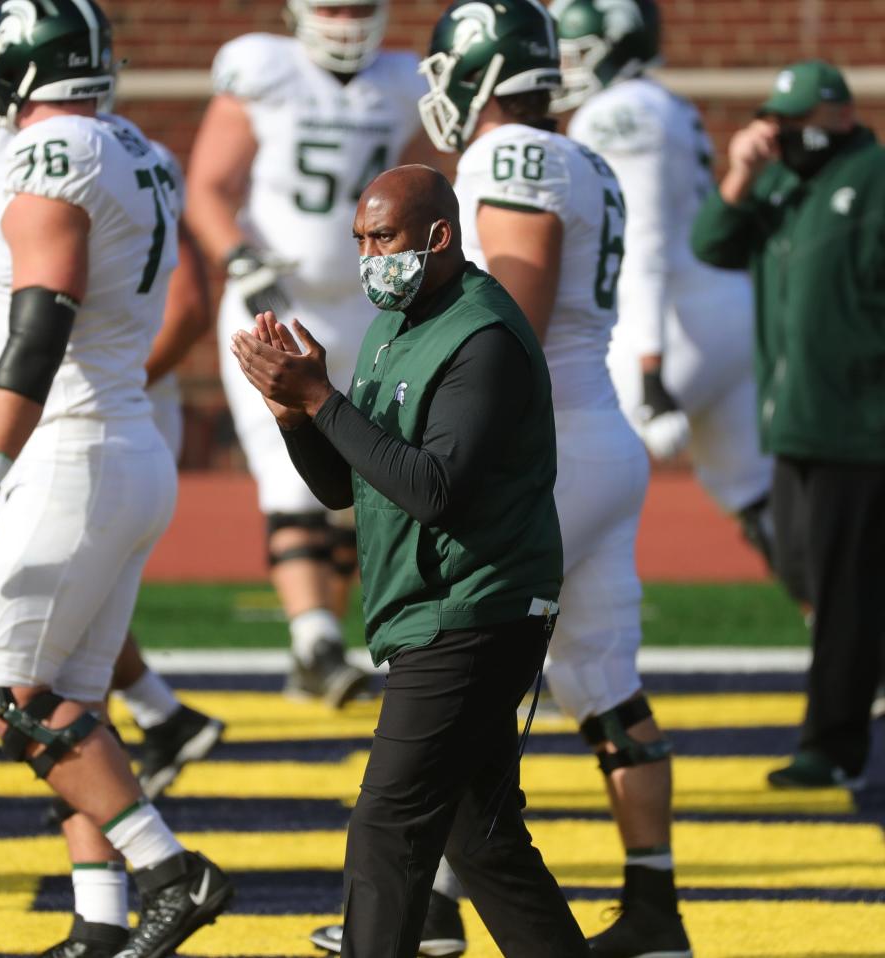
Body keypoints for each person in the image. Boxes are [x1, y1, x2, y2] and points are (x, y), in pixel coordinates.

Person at [0, 3, 233, 956]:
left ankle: (173, 873)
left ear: (23, 64)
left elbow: (38, 325)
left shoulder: (50, 156)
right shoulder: (128, 147)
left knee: (1, 690)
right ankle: (101, 923)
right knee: (69, 701)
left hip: (72, 450)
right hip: (118, 443)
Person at [231, 163, 590, 958]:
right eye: (360, 239)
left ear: (439, 236)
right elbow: (343, 484)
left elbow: (435, 491)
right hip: (436, 607)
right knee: (482, 839)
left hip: (475, 609)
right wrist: (295, 414)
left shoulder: (482, 335)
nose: (369, 255)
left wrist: (324, 399)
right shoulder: (396, 325)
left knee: (386, 830)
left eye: (384, 236)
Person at [0, 124, 225, 806]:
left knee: (8, 675)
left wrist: (111, 388)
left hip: (82, 422)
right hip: (79, 422)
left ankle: (158, 855)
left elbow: (177, 308)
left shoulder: (75, 154)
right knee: (66, 654)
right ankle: (106, 885)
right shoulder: (119, 150)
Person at [185, 0, 435, 707]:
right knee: (292, 469)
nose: (346, 20)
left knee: (367, 471)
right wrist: (237, 257)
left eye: (358, 6)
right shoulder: (264, 69)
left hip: (369, 304)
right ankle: (315, 641)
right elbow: (209, 186)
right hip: (278, 296)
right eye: (332, 5)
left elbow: (427, 186)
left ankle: (333, 641)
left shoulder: (402, 81)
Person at [692, 60, 885, 789]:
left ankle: (832, 748)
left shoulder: (872, 178)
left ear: (837, 115)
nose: (786, 135)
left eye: (798, 121)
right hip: (791, 418)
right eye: (777, 121)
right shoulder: (775, 181)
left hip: (856, 420)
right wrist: (739, 176)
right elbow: (712, 243)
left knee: (839, 593)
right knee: (803, 568)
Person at [549, 0, 777, 572]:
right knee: (757, 497)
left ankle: (534, 646)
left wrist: (650, 371)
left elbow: (643, 243)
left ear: (616, 43)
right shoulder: (664, 101)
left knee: (567, 476)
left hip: (673, 326)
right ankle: (852, 631)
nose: (568, 66)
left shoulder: (614, 112)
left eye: (579, 52)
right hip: (723, 312)